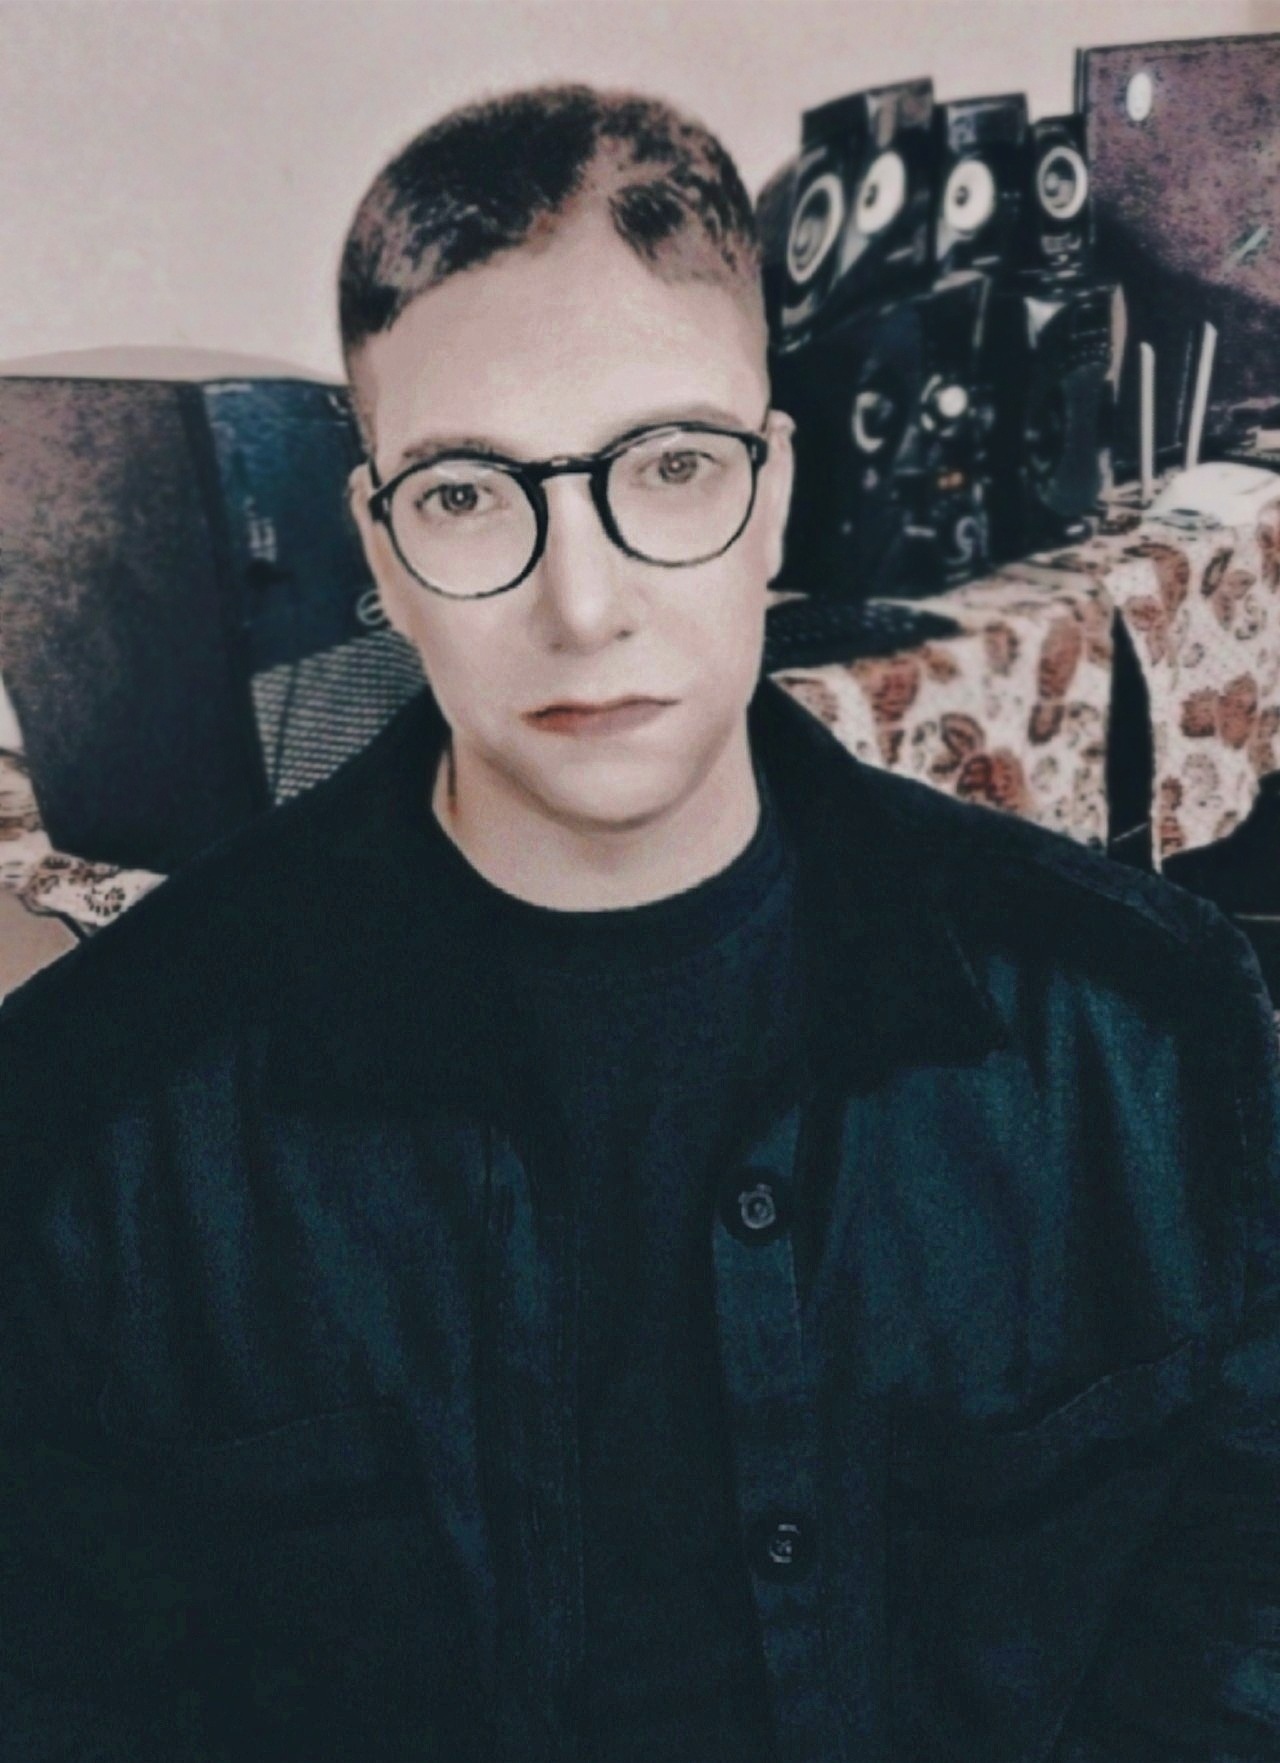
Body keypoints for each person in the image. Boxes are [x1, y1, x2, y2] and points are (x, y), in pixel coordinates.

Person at [1, 80, 1279, 1763]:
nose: (582, 603)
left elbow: (1233, 1634)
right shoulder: (96, 1119)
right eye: (469, 494)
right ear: (379, 549)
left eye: (671, 468)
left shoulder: (1151, 1034)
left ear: (773, 495)